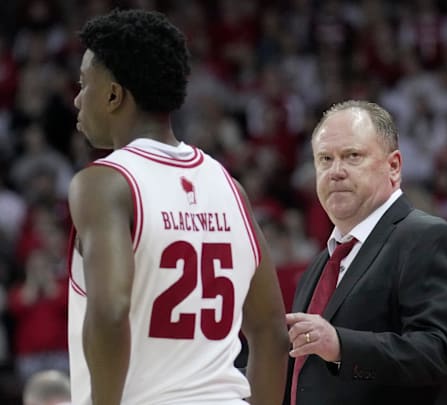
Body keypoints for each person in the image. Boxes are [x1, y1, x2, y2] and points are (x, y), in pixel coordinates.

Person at [68, 9, 288, 405]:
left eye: (85, 84)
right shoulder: (229, 186)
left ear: (114, 95)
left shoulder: (105, 184)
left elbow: (111, 311)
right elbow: (272, 333)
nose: (77, 98)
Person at [285, 100, 447, 404]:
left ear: (394, 166)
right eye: (324, 159)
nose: (335, 171)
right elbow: (305, 378)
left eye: (352, 156)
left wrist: (341, 346)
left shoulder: (427, 238)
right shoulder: (321, 264)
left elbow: (439, 353)